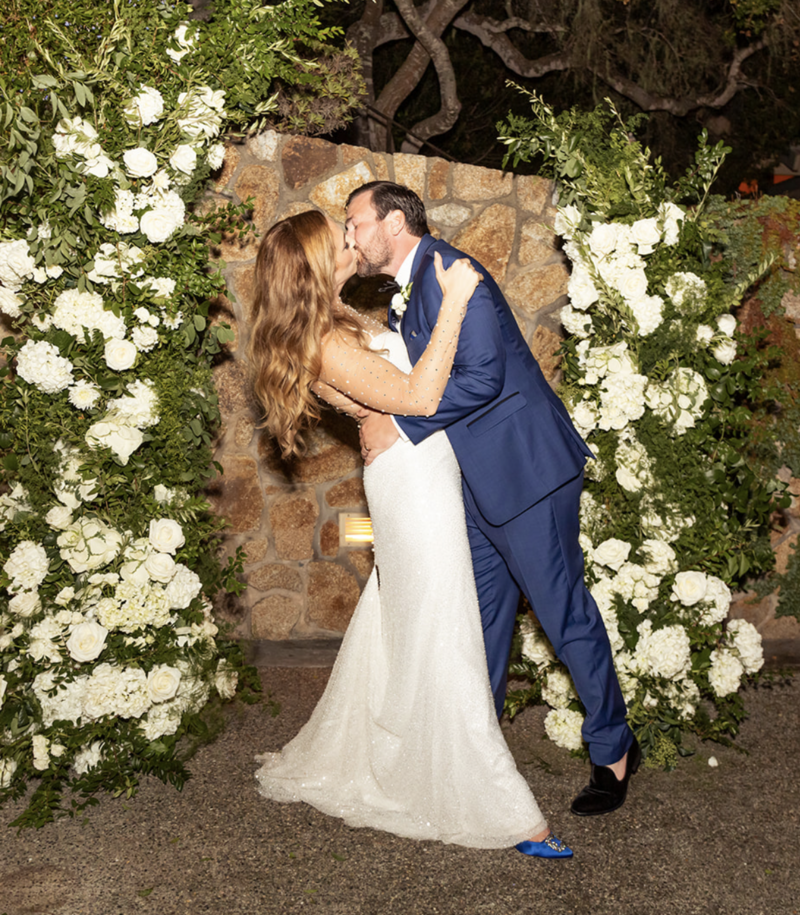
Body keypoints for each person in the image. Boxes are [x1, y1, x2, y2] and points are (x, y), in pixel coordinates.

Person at [250, 208, 573, 858]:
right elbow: (421, 398)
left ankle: (396, 750)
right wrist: (455, 300)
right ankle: (506, 810)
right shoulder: (328, 340)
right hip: (414, 486)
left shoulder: (336, 321)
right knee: (442, 626)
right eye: (339, 239)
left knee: (405, 617)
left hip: (415, 469)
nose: (352, 241)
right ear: (315, 264)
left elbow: (405, 391)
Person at [348, 182, 639, 817]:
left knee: (564, 617)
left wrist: (398, 425)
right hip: (476, 484)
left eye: (358, 224)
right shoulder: (413, 286)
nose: (353, 238)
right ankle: (471, 757)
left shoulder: (456, 274)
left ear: (394, 222)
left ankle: (613, 748)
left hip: (527, 476)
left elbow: (485, 378)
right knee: (479, 623)